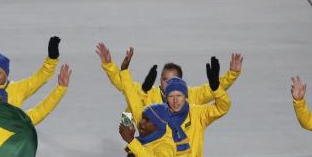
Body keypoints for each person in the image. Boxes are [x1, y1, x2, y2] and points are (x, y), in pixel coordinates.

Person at [96, 43, 242, 107]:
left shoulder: (191, 96)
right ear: (160, 81)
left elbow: (214, 88)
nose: (168, 83)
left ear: (181, 82)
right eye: (165, 79)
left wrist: (232, 74)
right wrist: (109, 66)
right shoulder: (148, 94)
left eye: (173, 80)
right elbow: (124, 85)